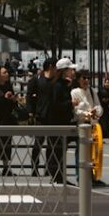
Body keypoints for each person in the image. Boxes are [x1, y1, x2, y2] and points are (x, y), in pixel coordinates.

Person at [42, 57, 77, 185]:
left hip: (63, 122)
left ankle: (59, 176)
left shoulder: (63, 84)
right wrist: (70, 103)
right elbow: (55, 105)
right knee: (57, 150)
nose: (73, 72)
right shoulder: (57, 85)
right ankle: (57, 176)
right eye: (70, 69)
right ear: (64, 71)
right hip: (56, 123)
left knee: (60, 150)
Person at [72, 69, 105, 186]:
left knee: (93, 152)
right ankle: (80, 177)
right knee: (81, 152)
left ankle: (92, 177)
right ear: (78, 79)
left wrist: (97, 112)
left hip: (92, 126)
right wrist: (87, 114)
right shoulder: (74, 92)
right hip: (81, 126)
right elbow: (75, 110)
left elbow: (98, 105)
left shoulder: (92, 91)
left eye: (88, 78)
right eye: (84, 78)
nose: (86, 80)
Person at [26, 57, 55, 176]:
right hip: (40, 115)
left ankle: (49, 167)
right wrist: (30, 112)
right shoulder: (37, 79)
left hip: (52, 116)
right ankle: (34, 166)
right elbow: (29, 95)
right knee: (38, 142)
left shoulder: (55, 80)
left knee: (51, 144)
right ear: (51, 67)